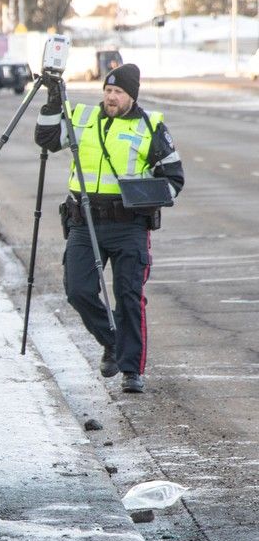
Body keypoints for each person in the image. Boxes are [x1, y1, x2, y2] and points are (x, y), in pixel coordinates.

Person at [34, 63, 185, 393]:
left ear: (131, 96)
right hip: (84, 222)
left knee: (129, 296)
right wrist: (52, 102)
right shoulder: (85, 118)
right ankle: (114, 341)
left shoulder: (151, 127)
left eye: (117, 92)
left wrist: (145, 199)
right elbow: (45, 138)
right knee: (78, 290)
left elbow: (174, 178)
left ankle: (132, 370)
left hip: (129, 225)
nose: (110, 97)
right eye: (107, 91)